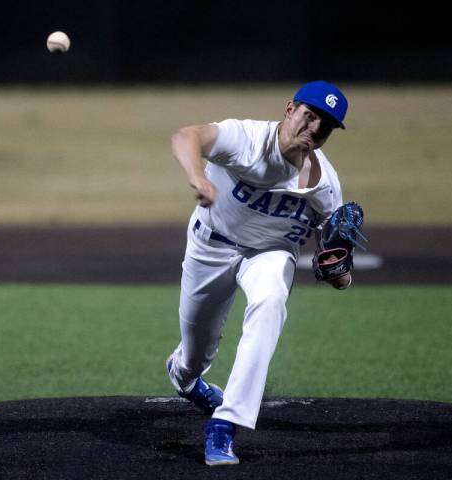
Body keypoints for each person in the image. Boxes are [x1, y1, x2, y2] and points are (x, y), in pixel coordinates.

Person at [166, 80, 351, 466]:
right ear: (290, 109)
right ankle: (185, 376)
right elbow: (187, 137)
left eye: (326, 125)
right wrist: (198, 177)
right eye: (310, 115)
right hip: (211, 245)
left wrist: (340, 274)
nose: (315, 128)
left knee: (270, 303)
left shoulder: (326, 187)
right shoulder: (247, 139)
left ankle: (225, 425)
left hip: (270, 253)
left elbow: (336, 264)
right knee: (197, 353)